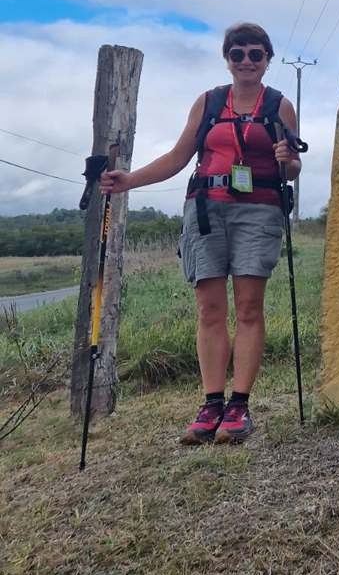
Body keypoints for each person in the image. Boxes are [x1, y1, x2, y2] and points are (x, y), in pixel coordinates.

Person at [100, 22, 300, 444]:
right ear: (227, 59)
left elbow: (292, 168)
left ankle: (239, 407)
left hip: (259, 212)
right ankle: (212, 403)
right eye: (238, 53)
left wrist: (289, 160)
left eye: (255, 54)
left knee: (249, 307)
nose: (246, 61)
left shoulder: (280, 106)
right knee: (209, 310)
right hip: (206, 211)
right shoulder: (208, 103)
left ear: (267, 59)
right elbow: (178, 157)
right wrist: (128, 181)